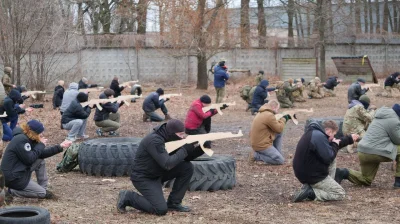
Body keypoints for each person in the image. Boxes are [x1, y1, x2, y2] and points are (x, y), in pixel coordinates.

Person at [116, 119, 204, 215]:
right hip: (144, 177)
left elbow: (186, 158)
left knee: (186, 167)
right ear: (172, 133)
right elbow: (167, 164)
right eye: (180, 134)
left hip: (158, 172)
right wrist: (185, 149)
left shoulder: (171, 138)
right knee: (160, 209)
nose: (183, 137)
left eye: (184, 134)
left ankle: (174, 203)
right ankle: (128, 197)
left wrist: (201, 148)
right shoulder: (154, 140)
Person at [0, 120, 72, 199]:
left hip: (18, 171)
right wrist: (41, 145)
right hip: (13, 178)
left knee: (40, 160)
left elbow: (39, 154)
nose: (42, 134)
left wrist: (60, 146)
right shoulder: (21, 139)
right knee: (41, 194)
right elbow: (30, 159)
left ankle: (43, 188)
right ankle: (12, 191)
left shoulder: (28, 137)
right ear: (34, 133)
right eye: (40, 133)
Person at [335, 104, 400, 188]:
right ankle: (399, 182)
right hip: (375, 152)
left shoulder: (379, 117)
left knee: (366, 179)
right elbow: (397, 140)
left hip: (363, 151)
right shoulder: (394, 120)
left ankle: (344, 172)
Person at [292, 120, 357, 203]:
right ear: (329, 131)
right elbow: (329, 157)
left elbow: (330, 146)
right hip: (312, 176)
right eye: (333, 135)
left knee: (333, 154)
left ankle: (315, 187)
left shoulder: (315, 134)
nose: (334, 137)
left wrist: (349, 139)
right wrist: (335, 144)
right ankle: (311, 193)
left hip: (305, 172)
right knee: (340, 193)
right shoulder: (319, 137)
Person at [249, 100, 289, 165]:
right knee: (280, 161)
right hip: (261, 145)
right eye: (277, 109)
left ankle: (278, 153)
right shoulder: (269, 115)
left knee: (279, 134)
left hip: (258, 141)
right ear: (274, 108)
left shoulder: (263, 112)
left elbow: (276, 129)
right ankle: (256, 156)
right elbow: (279, 129)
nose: (278, 111)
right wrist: (284, 118)